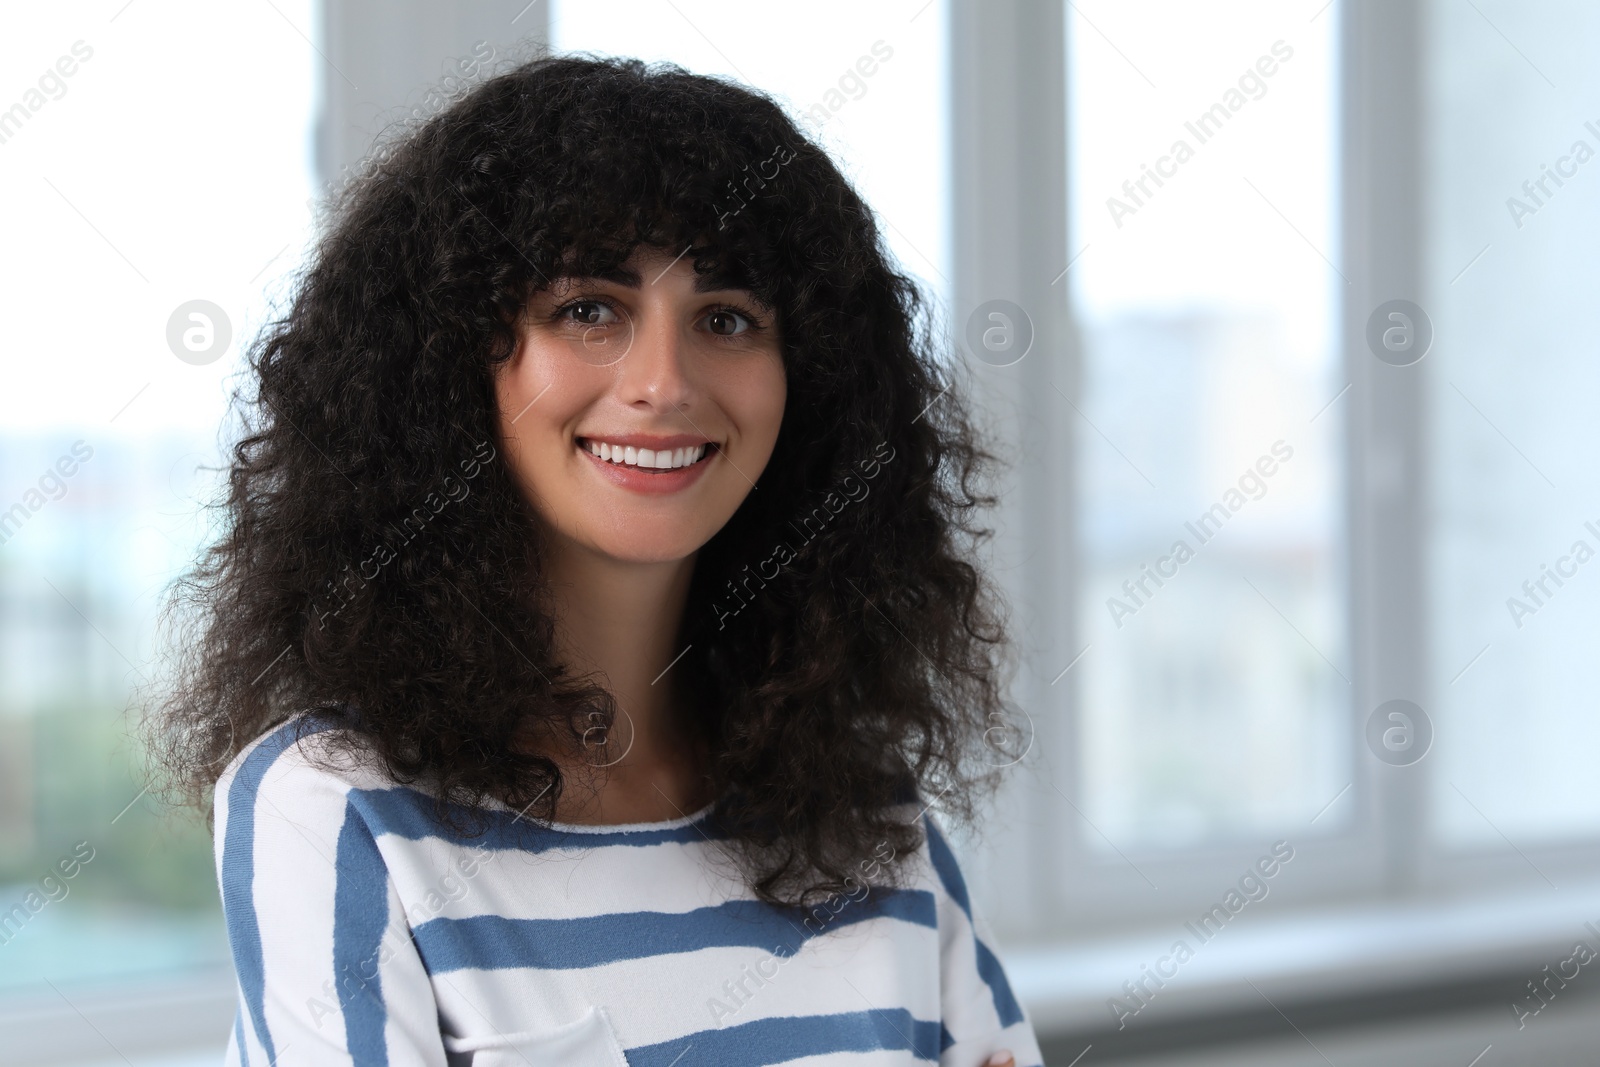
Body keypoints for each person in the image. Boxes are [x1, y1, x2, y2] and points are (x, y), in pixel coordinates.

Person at [149, 53, 1044, 1067]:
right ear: (449, 362)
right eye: (588, 309)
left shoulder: (865, 809)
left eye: (726, 318)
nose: (662, 382)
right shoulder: (332, 811)